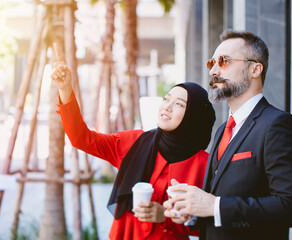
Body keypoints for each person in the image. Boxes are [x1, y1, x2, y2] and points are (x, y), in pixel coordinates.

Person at [51, 43, 216, 239]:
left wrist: (166, 216)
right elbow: (81, 139)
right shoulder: (135, 143)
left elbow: (203, 225)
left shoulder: (204, 165)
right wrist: (65, 90)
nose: (167, 107)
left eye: (179, 104)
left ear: (193, 116)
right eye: (166, 99)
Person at [163, 30, 292, 239]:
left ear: (255, 69)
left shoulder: (279, 125)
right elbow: (218, 201)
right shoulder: (223, 129)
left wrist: (215, 206)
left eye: (224, 61)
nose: (214, 70)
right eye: (212, 63)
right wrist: (192, 211)